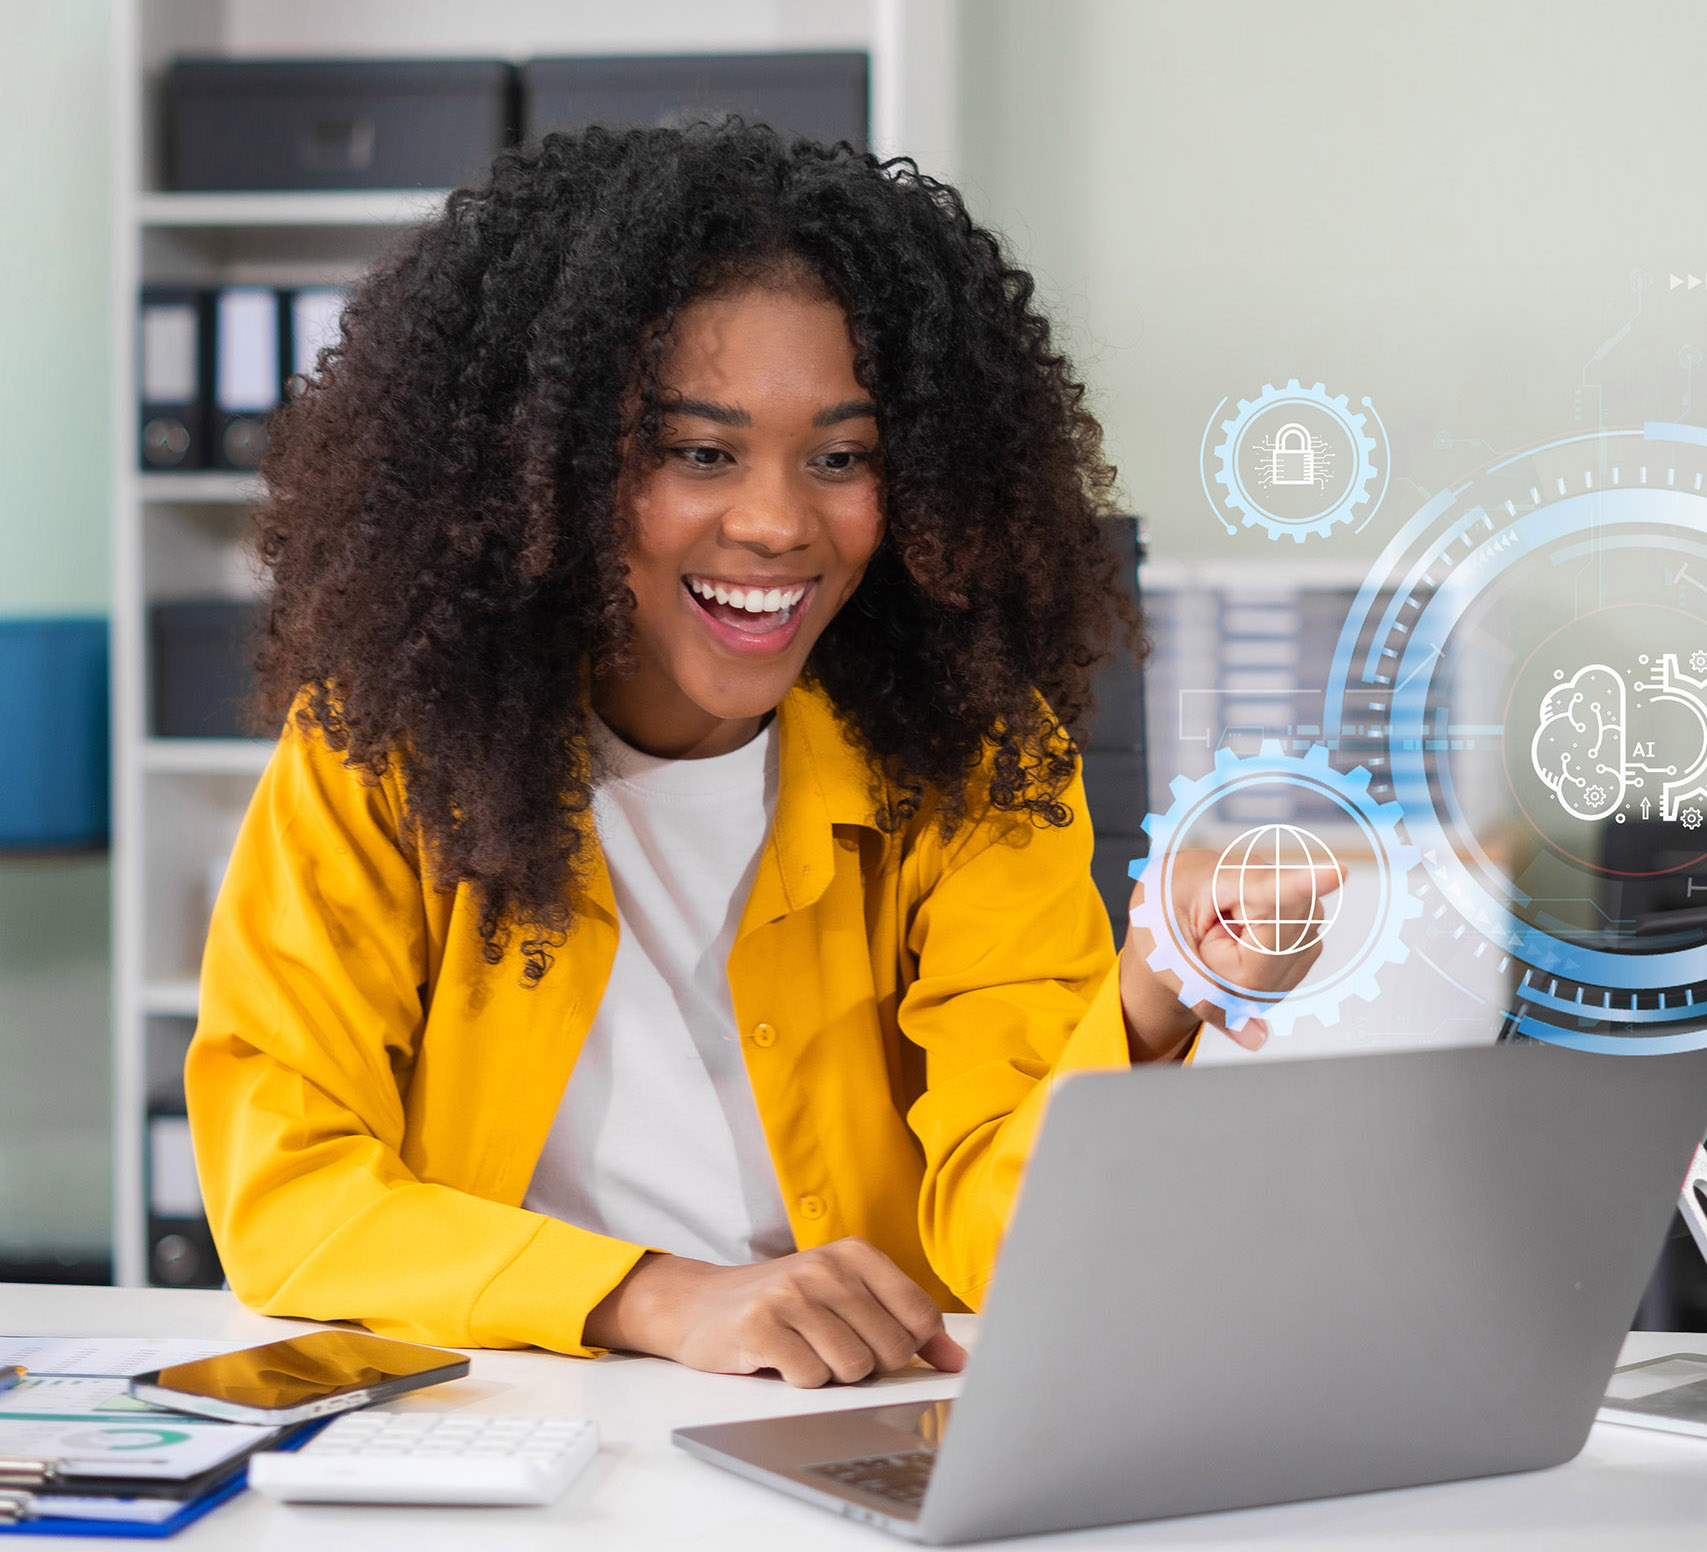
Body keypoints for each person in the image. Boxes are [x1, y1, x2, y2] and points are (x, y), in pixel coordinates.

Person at [186, 122, 1328, 1389]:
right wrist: (660, 1298)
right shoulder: (385, 748)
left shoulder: (978, 764)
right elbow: (286, 1193)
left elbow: (1009, 1241)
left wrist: (1148, 1001)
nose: (780, 522)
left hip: (847, 1429)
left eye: (841, 459)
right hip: (516, 1424)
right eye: (699, 453)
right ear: (543, 472)